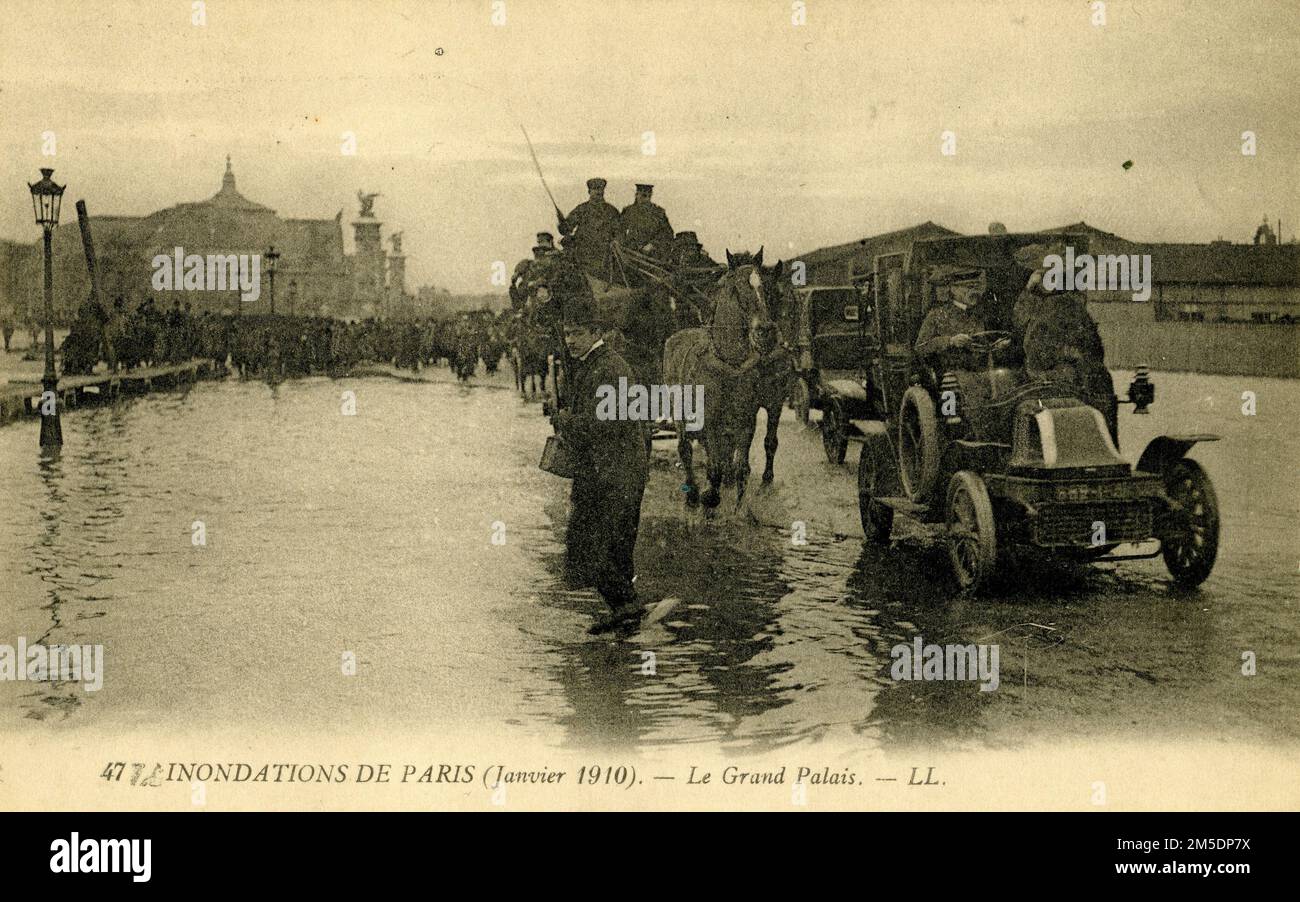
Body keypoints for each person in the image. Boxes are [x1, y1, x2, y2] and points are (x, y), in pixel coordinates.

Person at [552, 296, 650, 634]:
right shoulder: (596, 364)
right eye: (566, 334)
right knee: (608, 545)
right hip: (607, 470)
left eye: (575, 333)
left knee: (596, 545)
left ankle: (627, 607)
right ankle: (625, 610)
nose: (569, 340)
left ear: (595, 331)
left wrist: (565, 420)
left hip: (615, 472)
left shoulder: (608, 367)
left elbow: (603, 424)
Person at [558, 177, 620, 279]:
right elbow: (566, 229)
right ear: (589, 191)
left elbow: (619, 232)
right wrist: (562, 222)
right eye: (595, 189)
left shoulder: (611, 211)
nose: (598, 192)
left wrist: (616, 242)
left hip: (604, 255)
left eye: (600, 189)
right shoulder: (582, 209)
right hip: (583, 254)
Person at [616, 183, 674, 261]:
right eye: (643, 196)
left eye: (649, 196)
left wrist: (653, 244)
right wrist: (623, 244)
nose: (646, 199)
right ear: (636, 195)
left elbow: (667, 233)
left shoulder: (658, 212)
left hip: (652, 256)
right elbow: (619, 230)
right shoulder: (629, 211)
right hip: (631, 254)